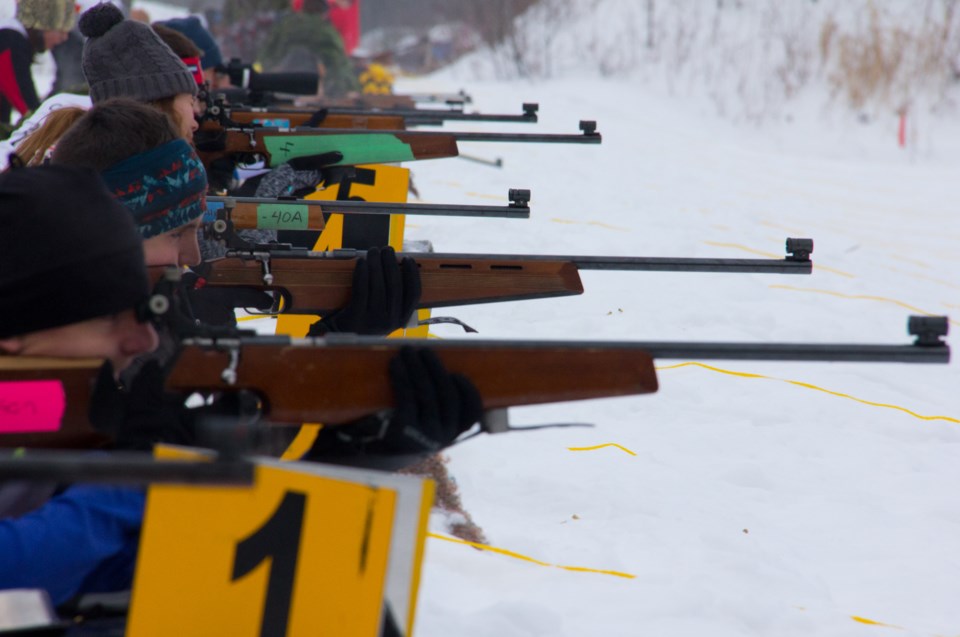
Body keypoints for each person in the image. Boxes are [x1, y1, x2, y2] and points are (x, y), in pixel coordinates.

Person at [0, 163, 160, 605]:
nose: (144, 340)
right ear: (14, 332)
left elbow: (107, 573)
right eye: (108, 317)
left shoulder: (46, 412)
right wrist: (127, 479)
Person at [257, 0, 360, 99]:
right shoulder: (326, 32)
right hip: (315, 96)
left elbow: (265, 56)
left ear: (302, 9)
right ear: (324, 13)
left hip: (279, 92)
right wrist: (350, 89)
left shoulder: (284, 26)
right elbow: (338, 65)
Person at [0, 0, 75, 132]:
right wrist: (46, 127)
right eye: (61, 30)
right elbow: (21, 95)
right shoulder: (11, 41)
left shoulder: (12, 40)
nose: (63, 38)